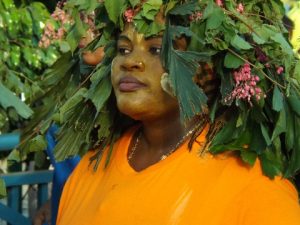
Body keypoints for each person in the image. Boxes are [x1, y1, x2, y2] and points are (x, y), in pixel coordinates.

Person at [49, 1, 300, 224]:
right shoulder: (91, 165)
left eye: (156, 49)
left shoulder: (255, 185)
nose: (129, 61)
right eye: (123, 49)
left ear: (207, 68)